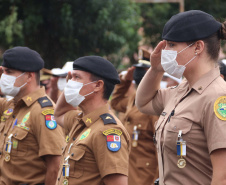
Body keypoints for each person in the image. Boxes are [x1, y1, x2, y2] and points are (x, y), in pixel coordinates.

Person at [135, 10, 226, 185]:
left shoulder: (217, 97)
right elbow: (143, 103)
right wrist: (155, 70)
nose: (164, 51)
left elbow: (222, 177)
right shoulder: (181, 90)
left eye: (171, 45)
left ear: (198, 47)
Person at [54, 56, 130, 185]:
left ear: (98, 85)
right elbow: (60, 113)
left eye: (77, 78)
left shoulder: (107, 130)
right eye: (71, 78)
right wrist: (69, 88)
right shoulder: (80, 121)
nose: (71, 82)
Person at [0, 46, 65, 185]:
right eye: (3, 71)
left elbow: (55, 166)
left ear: (29, 76)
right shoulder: (12, 105)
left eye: (8, 72)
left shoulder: (43, 112)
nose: (3, 76)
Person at [111, 49, 159, 185]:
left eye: (143, 70)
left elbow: (160, 148)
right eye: (137, 69)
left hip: (146, 175)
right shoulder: (134, 98)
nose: (138, 73)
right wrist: (125, 81)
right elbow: (115, 102)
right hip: (129, 170)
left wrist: (158, 180)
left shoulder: (155, 104)